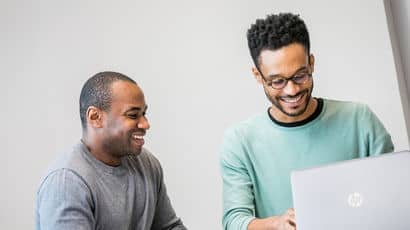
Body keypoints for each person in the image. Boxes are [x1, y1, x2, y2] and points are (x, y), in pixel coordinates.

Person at [219, 13, 394, 230]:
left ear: (311, 63)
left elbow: (394, 194)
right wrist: (277, 224)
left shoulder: (360, 119)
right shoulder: (240, 141)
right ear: (258, 75)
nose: (291, 90)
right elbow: (234, 221)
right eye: (277, 81)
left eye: (300, 75)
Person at [36, 72, 187, 230]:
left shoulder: (147, 164)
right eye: (133, 115)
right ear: (95, 117)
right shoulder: (66, 183)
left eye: (144, 114)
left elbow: (168, 227)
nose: (145, 124)